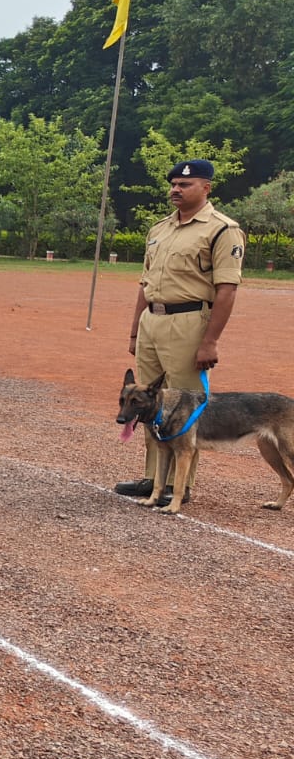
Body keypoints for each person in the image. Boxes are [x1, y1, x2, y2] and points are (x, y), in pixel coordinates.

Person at [114, 159, 244, 504]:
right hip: (151, 322)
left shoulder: (222, 229)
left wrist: (210, 341)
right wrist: (133, 333)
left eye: (185, 184)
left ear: (206, 188)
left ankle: (179, 485)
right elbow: (145, 283)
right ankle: (152, 479)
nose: (175, 189)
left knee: (185, 406)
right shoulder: (159, 229)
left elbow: (227, 288)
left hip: (189, 322)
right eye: (173, 183)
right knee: (149, 404)